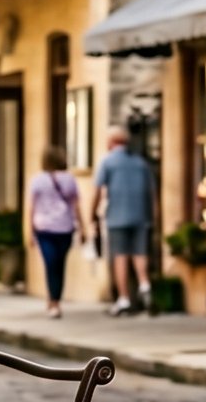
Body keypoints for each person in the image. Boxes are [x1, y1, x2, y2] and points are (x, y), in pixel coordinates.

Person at [90, 126, 157, 315]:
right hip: (141, 215)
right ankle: (145, 286)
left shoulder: (108, 162)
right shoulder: (141, 163)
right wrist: (154, 217)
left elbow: (97, 190)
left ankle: (124, 298)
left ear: (111, 142)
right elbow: (153, 194)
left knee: (120, 256)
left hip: (117, 217)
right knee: (139, 254)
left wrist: (92, 214)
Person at [27, 144, 83, 318]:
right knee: (58, 265)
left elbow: (31, 207)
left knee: (51, 265)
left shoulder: (37, 180)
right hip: (65, 228)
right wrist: (83, 227)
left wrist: (29, 231)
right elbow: (76, 206)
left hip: (44, 229)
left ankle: (54, 301)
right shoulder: (70, 179)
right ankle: (54, 300)